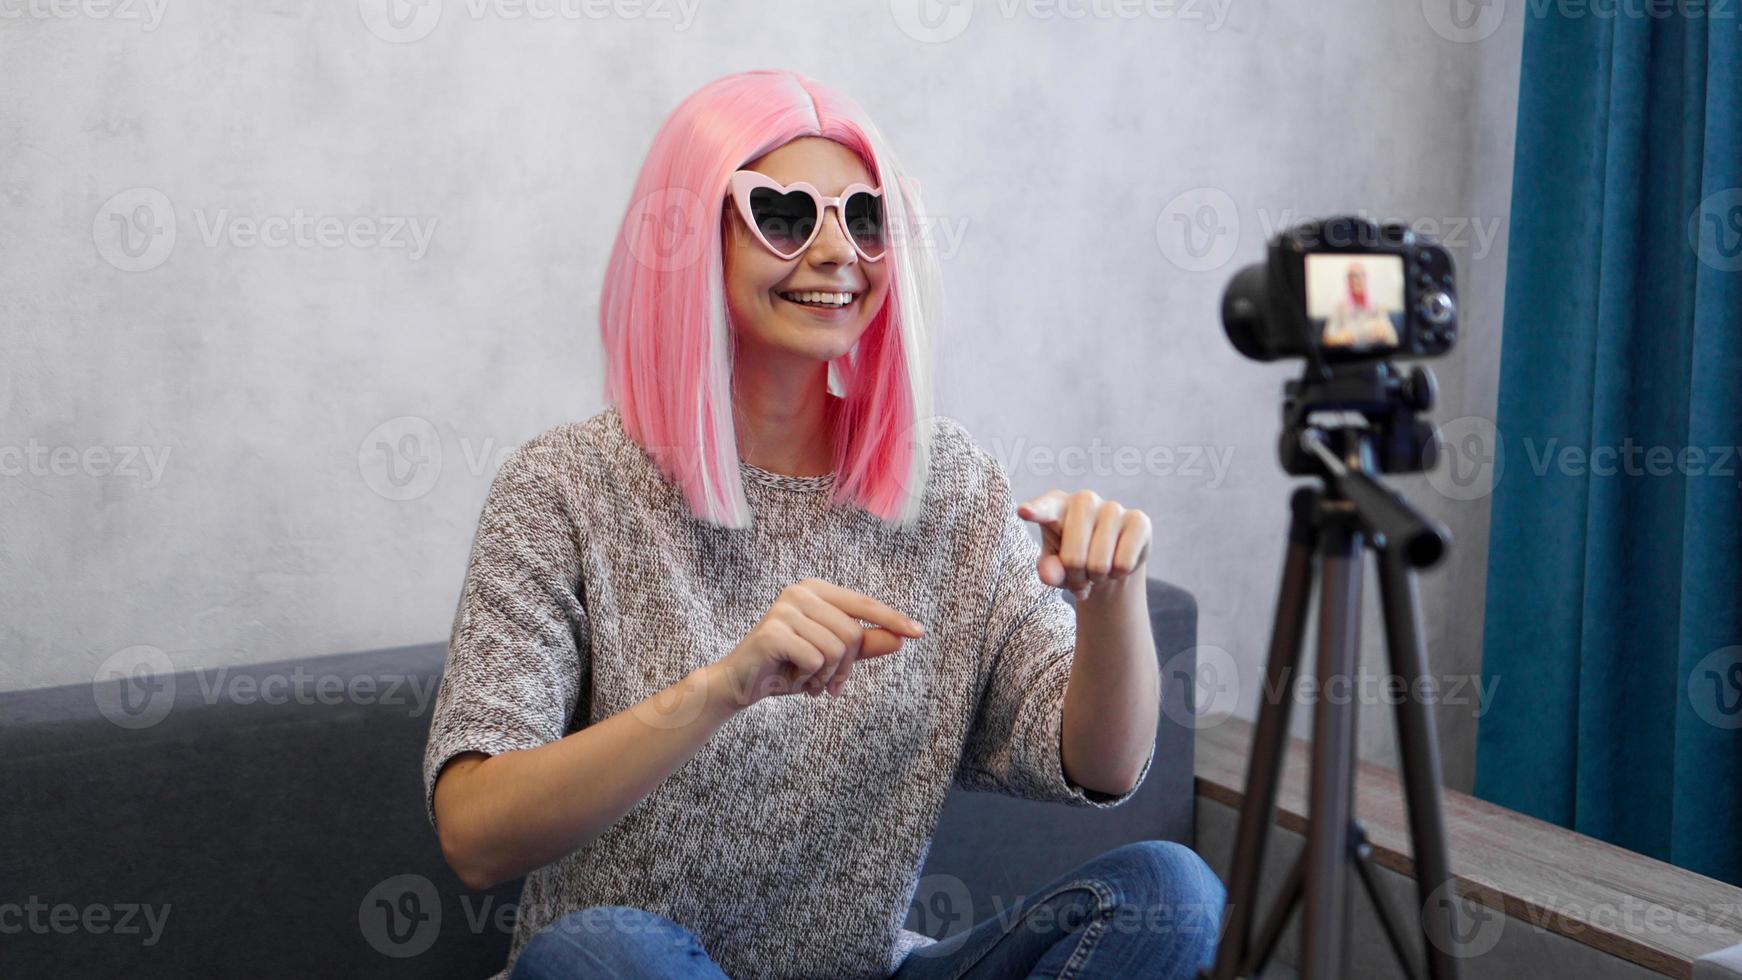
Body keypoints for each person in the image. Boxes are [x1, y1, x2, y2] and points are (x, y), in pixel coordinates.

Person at [421, 68, 1225, 980]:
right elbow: (475, 835)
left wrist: (1112, 602)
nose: (840, 251)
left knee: (1171, 894)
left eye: (867, 217)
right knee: (607, 952)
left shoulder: (949, 487)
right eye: (788, 215)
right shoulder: (564, 487)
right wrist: (724, 687)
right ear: (690, 236)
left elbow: (1101, 767)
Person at [1321, 261, 1399, 350]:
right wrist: (1339, 339)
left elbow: (1393, 340)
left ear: (1366, 279)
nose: (1357, 280)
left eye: (1362, 275)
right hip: (1348, 357)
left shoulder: (1377, 306)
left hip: (1374, 355)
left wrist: (1384, 333)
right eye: (1353, 276)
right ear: (1348, 281)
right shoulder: (1339, 307)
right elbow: (1326, 340)